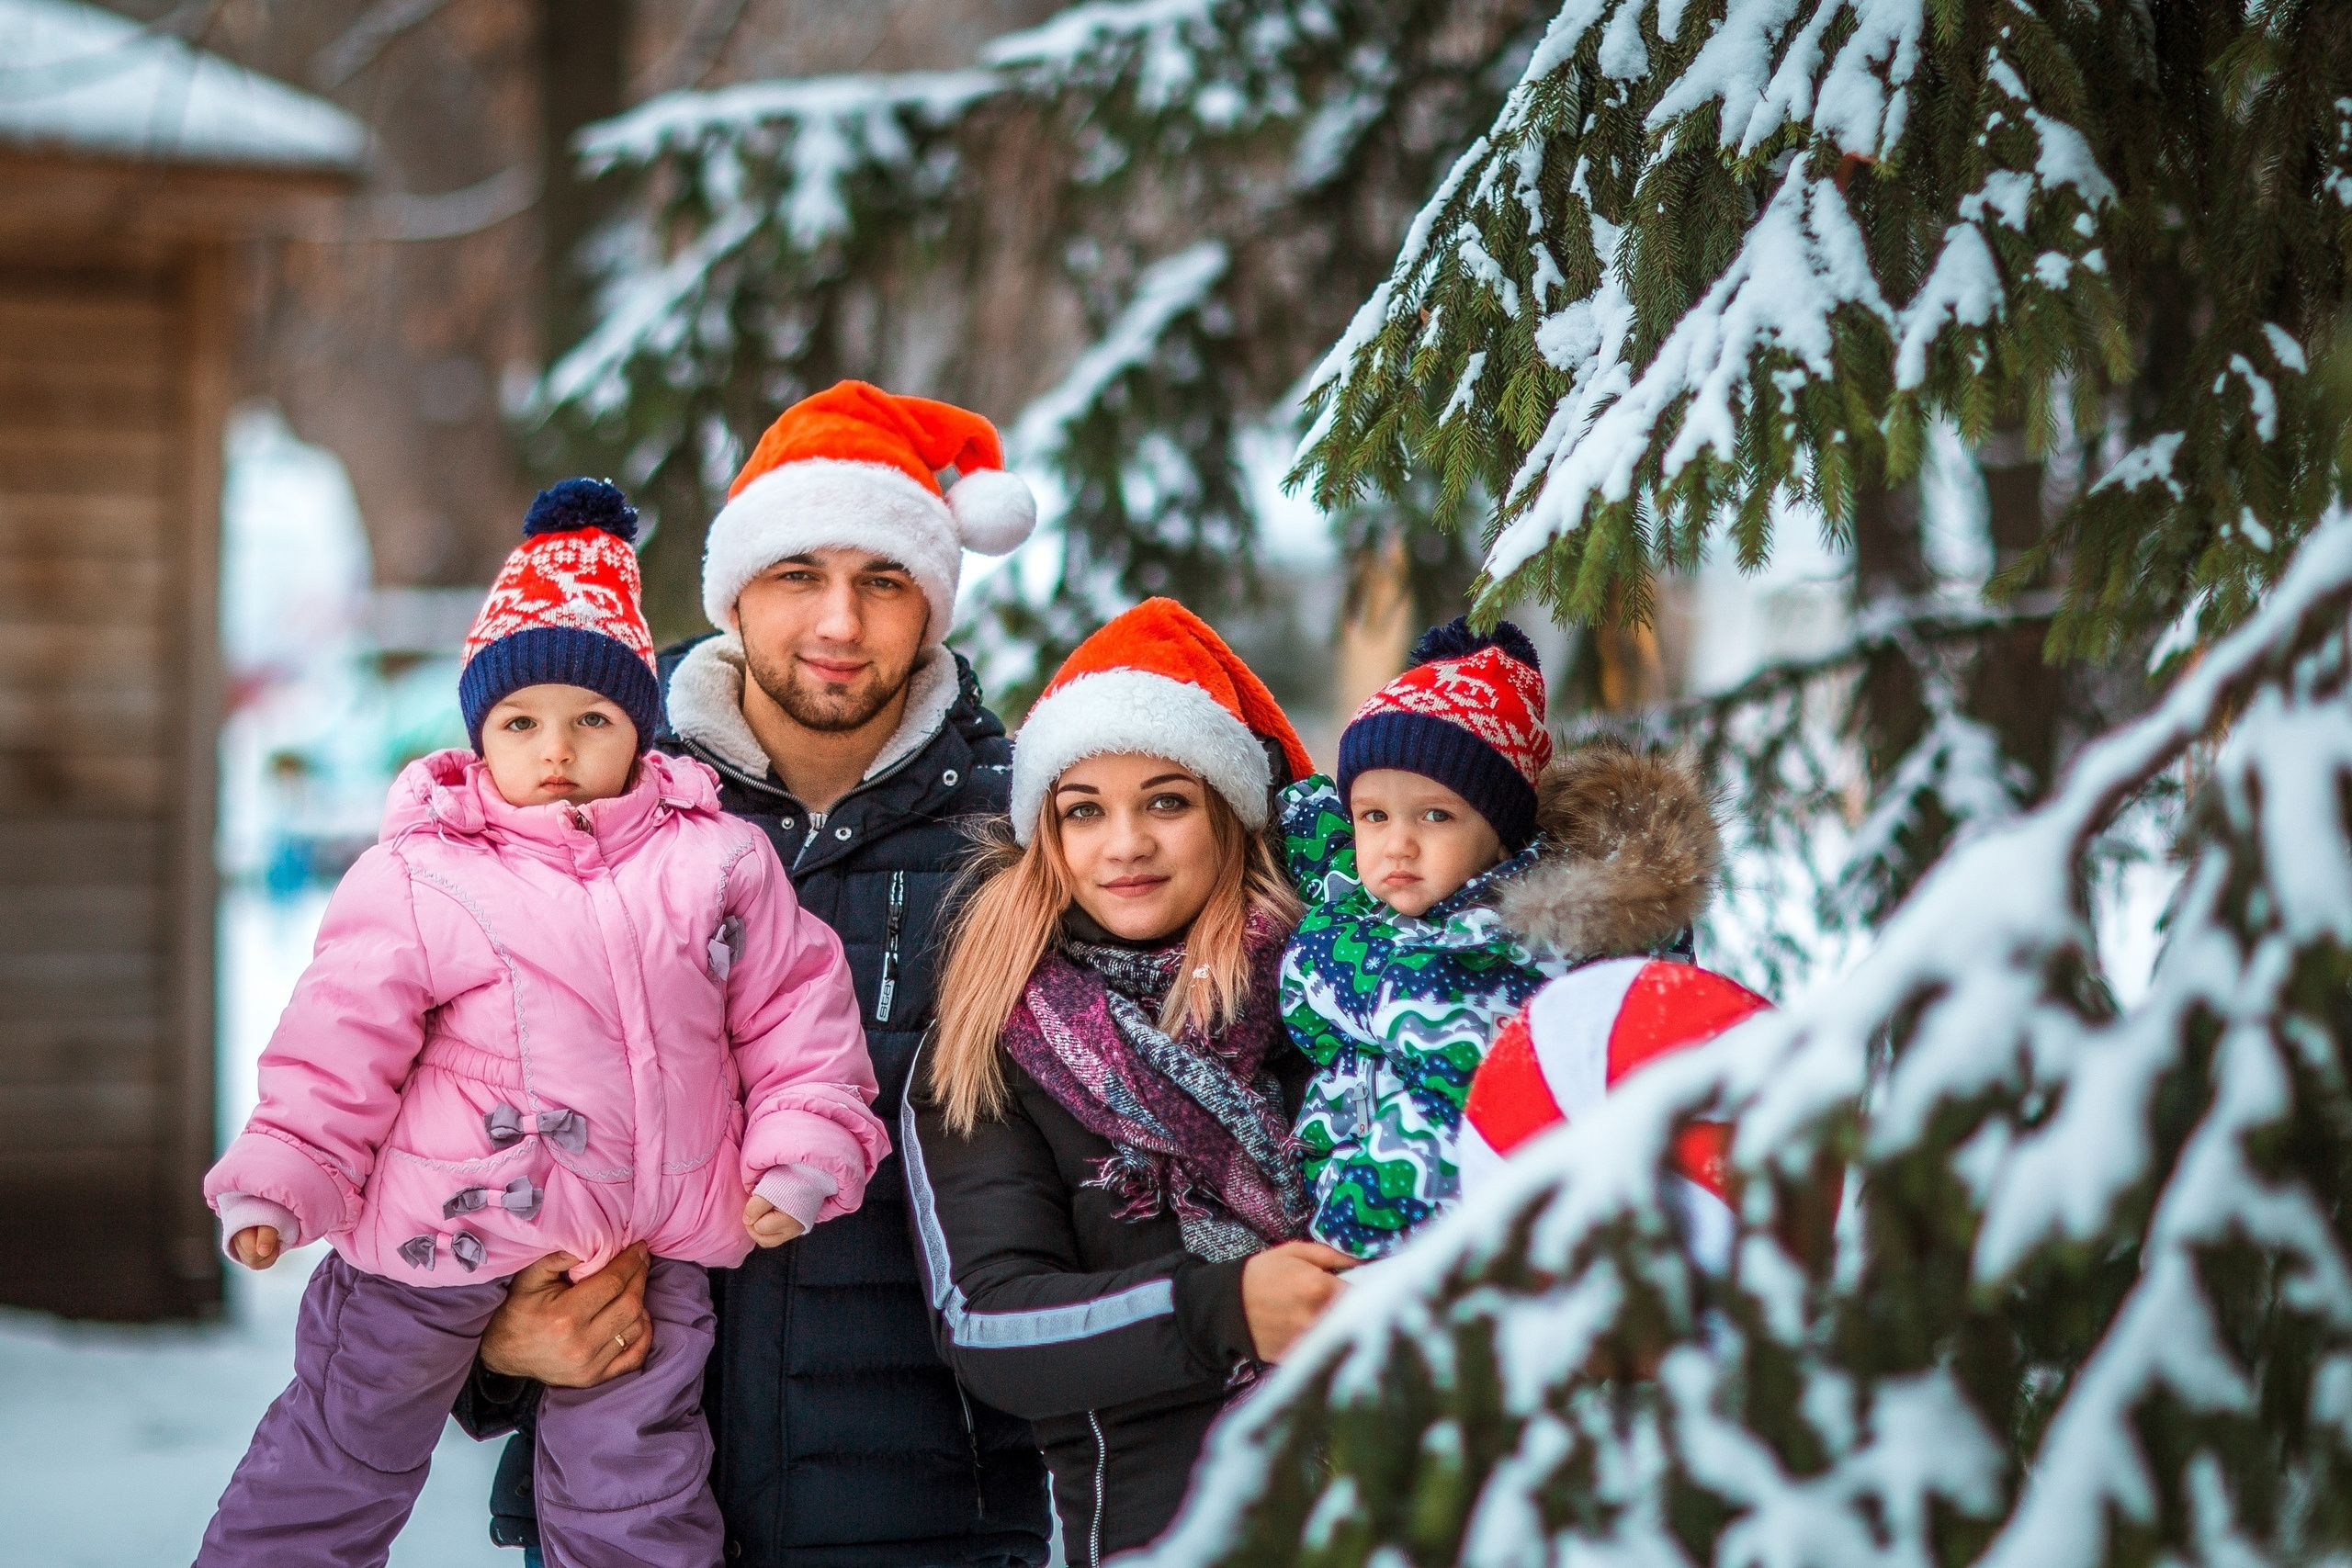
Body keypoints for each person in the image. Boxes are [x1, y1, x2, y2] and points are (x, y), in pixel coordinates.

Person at [196, 479, 888, 1568]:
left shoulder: (715, 861)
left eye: (591, 720)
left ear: (639, 731)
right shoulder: (422, 871)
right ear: (481, 734)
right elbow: (337, 1046)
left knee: (638, 1495)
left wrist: (801, 1150)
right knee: (338, 1457)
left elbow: (797, 1016)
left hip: (642, 1248)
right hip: (436, 1238)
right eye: (521, 722)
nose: (555, 749)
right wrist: (285, 1173)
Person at [454, 383, 1054, 1568]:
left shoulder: (1025, 834)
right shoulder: (581, 797)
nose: (840, 619)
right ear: (733, 592)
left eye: (884, 580)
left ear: (934, 601)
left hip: (931, 1516)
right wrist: (489, 1347)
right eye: (797, 574)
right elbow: (430, 1111)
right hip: (615, 1500)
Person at [906, 598, 1361, 1568]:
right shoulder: (996, 1041)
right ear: (1048, 833)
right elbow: (987, 1323)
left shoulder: (1345, 1003)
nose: (1124, 845)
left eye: (1166, 802)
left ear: (1230, 814)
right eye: (1085, 810)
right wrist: (1218, 1309)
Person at [1281, 618, 1722, 1259]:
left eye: (1436, 815)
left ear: (1501, 836)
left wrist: (1342, 1238)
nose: (1397, 843)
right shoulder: (1372, 899)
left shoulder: (1506, 953)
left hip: (1411, 1244)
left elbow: (1449, 1125)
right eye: (1373, 815)